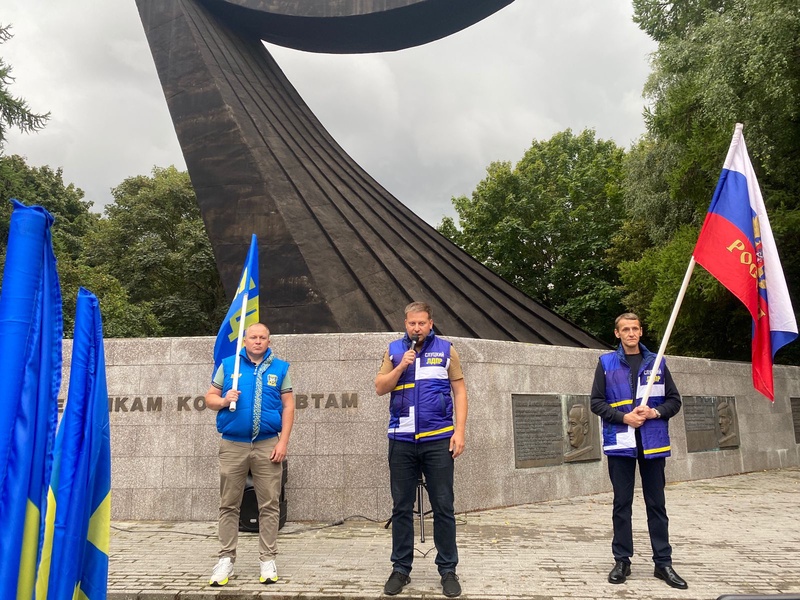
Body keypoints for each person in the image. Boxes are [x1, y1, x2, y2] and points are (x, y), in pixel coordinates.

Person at [375, 302, 468, 598]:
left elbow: (460, 391)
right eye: (412, 323)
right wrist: (402, 365)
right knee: (401, 507)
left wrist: (460, 432)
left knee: (443, 506)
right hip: (401, 439)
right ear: (405, 323)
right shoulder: (393, 350)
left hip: (438, 438)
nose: (417, 328)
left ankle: (448, 569)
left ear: (431, 323)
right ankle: (401, 568)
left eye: (422, 323)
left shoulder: (447, 350)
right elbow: (379, 387)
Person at [590, 313, 688, 590]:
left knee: (656, 504)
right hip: (621, 442)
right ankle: (622, 560)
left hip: (653, 442)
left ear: (641, 332)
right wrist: (625, 418)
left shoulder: (657, 362)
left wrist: (655, 411)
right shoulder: (606, 363)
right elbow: (596, 403)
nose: (631, 333)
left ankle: (663, 563)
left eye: (635, 328)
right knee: (622, 504)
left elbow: (674, 401)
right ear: (617, 333)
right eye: (625, 329)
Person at [205, 322, 295, 586]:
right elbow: (209, 398)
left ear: (269, 341)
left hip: (268, 444)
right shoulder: (229, 365)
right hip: (233, 444)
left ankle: (267, 559)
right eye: (253, 337)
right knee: (228, 504)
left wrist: (283, 443)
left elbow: (289, 406)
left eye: (262, 337)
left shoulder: (280, 368)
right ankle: (225, 560)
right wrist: (223, 400)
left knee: (269, 504)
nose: (258, 341)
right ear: (245, 341)